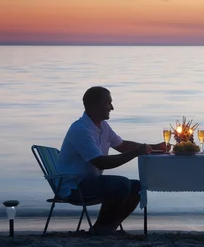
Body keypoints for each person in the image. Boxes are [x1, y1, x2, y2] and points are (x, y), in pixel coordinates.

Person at [58, 86, 166, 235]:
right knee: (120, 184)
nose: (112, 108)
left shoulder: (102, 126)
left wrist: (153, 147)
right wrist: (136, 152)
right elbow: (102, 163)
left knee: (138, 187)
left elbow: (122, 145)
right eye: (108, 103)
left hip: (89, 182)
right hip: (74, 186)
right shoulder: (81, 130)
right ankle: (101, 228)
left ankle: (109, 227)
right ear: (95, 105)